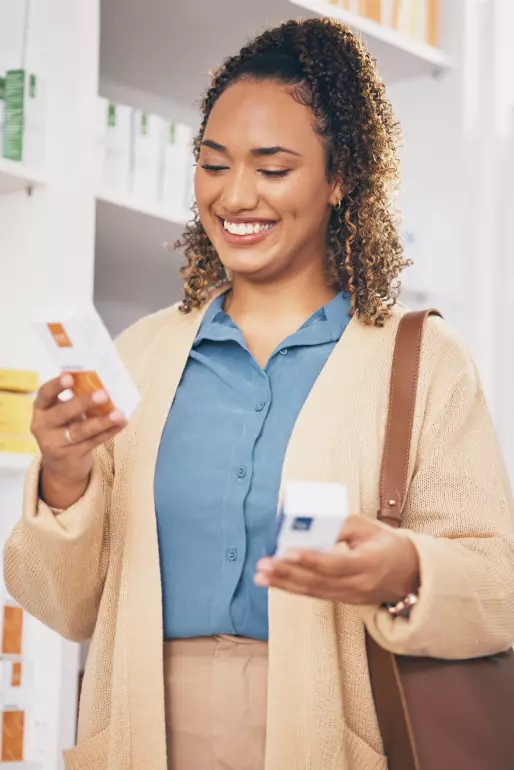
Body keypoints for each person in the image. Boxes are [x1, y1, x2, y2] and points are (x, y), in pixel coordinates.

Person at [4, 17, 514, 770]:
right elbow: (65, 606)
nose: (235, 195)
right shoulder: (141, 355)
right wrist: (67, 477)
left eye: (272, 168)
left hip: (327, 736)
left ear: (342, 179)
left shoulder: (423, 361)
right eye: (213, 164)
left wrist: (405, 568)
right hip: (144, 736)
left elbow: (499, 588)